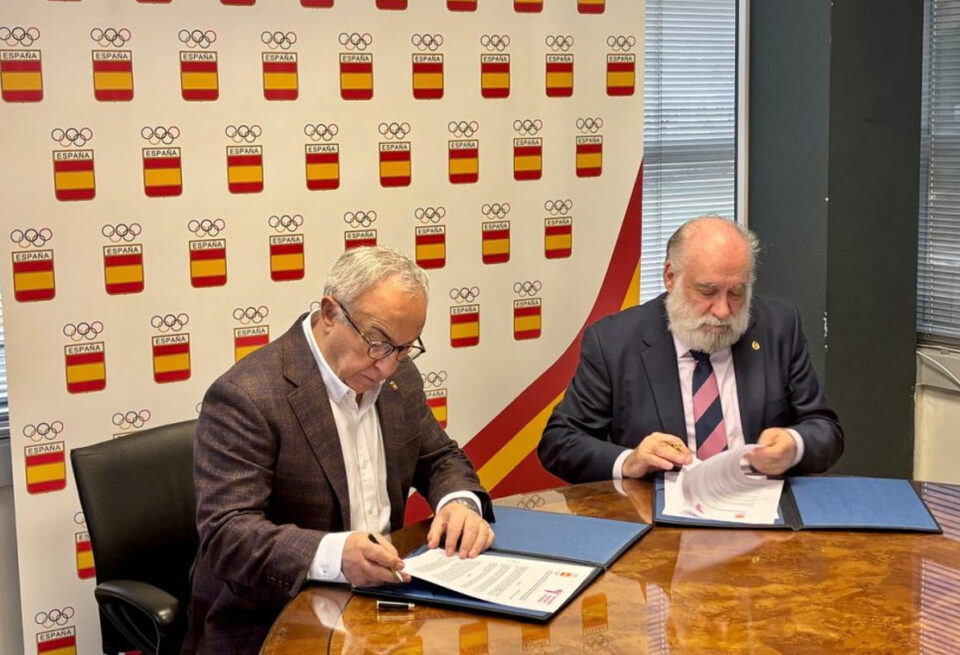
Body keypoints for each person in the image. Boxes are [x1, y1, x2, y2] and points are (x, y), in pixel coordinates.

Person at [183, 246, 495, 654]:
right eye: (378, 343)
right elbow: (228, 534)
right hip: (274, 620)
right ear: (330, 313)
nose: (387, 366)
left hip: (383, 608)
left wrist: (459, 503)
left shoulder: (399, 378)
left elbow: (439, 458)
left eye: (404, 348)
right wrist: (334, 554)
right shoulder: (248, 395)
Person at [538, 215, 843, 483]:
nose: (723, 311)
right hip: (659, 514)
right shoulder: (615, 342)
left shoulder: (778, 327)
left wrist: (794, 444)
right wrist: (630, 461)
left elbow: (826, 430)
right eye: (707, 291)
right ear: (670, 277)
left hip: (760, 509)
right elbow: (560, 441)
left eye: (737, 292)